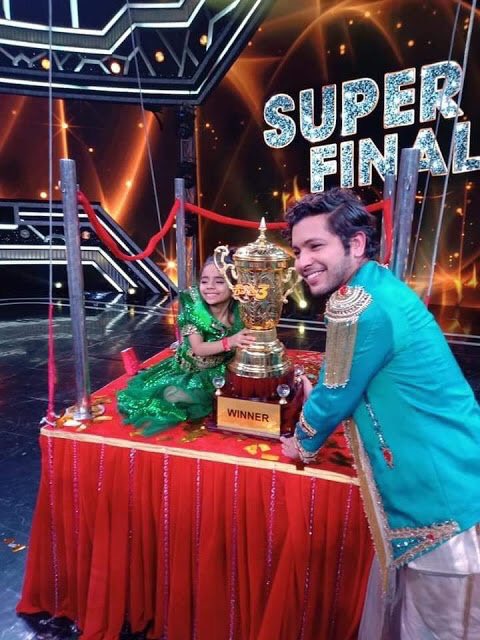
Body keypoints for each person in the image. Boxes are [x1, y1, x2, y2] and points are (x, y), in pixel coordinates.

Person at [280, 187, 480, 639]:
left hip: (437, 493)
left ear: (355, 244)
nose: (302, 261)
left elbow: (336, 392)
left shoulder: (360, 305)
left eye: (315, 246)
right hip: (453, 465)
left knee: (440, 627)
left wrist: (302, 443)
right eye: (297, 251)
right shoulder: (375, 285)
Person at [117, 257, 254, 436]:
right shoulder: (195, 310)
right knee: (176, 395)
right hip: (190, 370)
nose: (210, 286)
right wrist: (231, 341)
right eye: (204, 281)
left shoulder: (240, 309)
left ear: (234, 285)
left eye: (219, 281)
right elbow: (198, 348)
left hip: (221, 368)